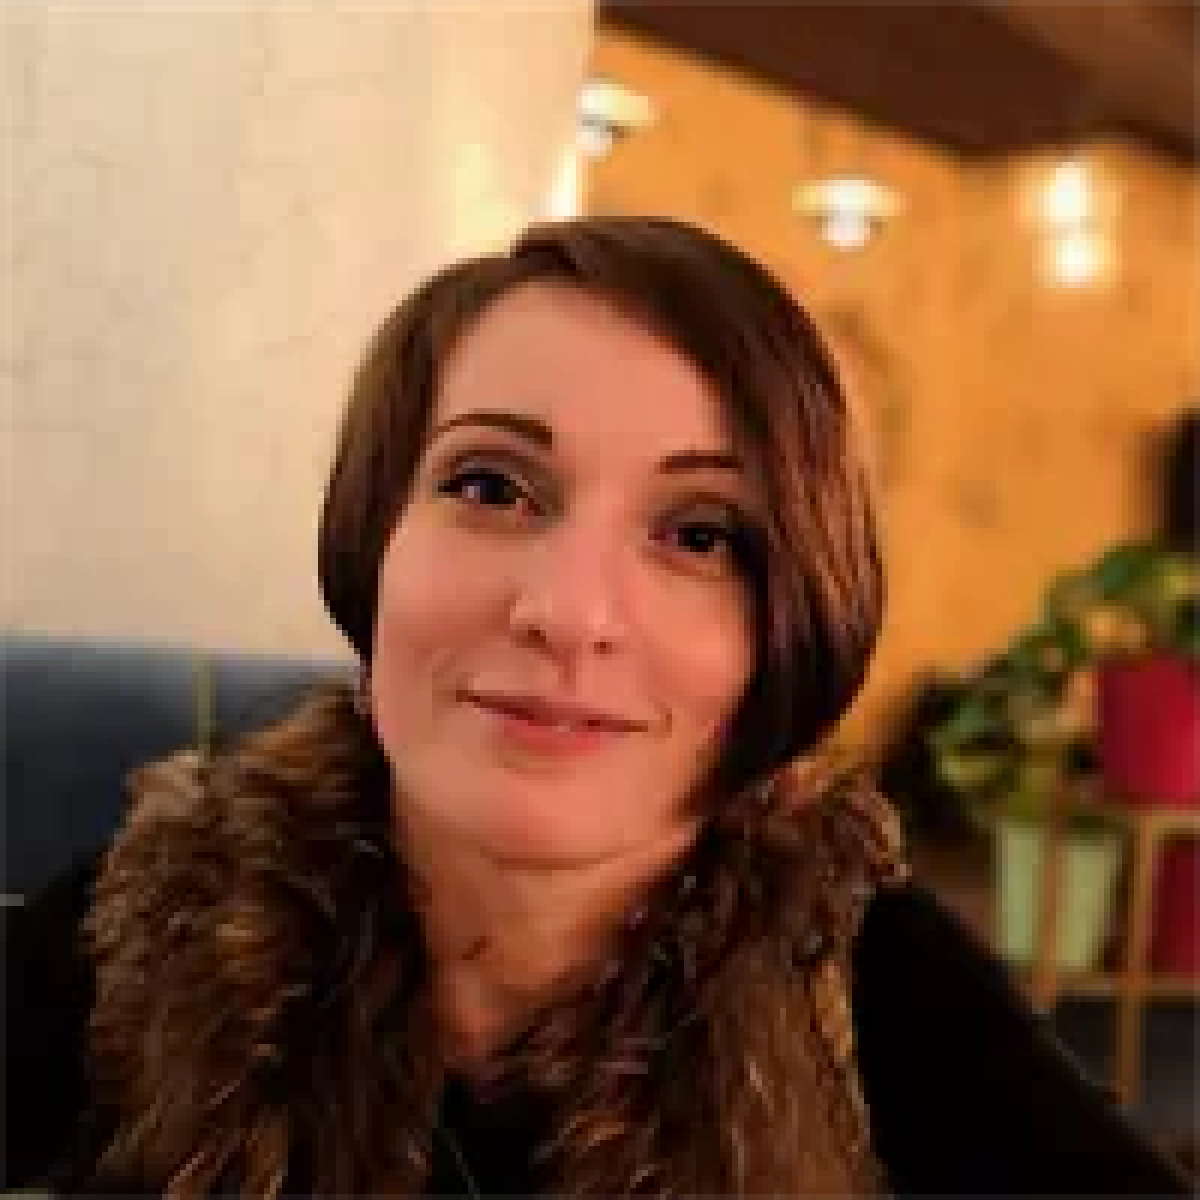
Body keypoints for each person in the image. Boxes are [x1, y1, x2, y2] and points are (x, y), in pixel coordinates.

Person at [4, 216, 1189, 1196]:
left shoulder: (864, 983)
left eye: (700, 535)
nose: (570, 614)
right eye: (491, 486)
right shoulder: (154, 918)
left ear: (791, 623)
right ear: (374, 540)